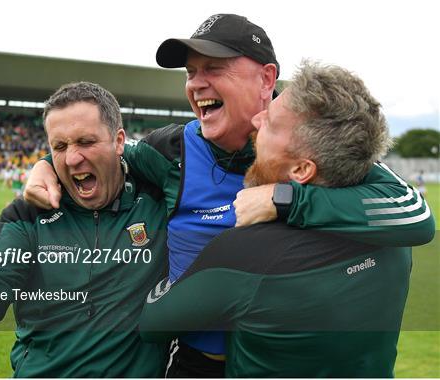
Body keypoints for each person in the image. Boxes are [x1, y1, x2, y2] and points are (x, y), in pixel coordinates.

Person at [24, 14, 435, 377]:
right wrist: (45, 163)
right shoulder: (171, 150)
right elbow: (97, 154)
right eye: (190, 71)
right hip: (193, 360)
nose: (197, 82)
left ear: (267, 79)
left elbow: (416, 215)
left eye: (214, 68)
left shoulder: (312, 142)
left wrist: (282, 198)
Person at [139, 61, 414, 377]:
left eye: (269, 123)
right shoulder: (394, 237)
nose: (256, 121)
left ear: (301, 170)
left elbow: (154, 322)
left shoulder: (246, 252)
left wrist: (184, 266)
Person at [0, 82, 169, 377]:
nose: (72, 158)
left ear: (119, 141)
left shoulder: (157, 199)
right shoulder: (27, 216)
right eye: (59, 147)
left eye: (86, 142)